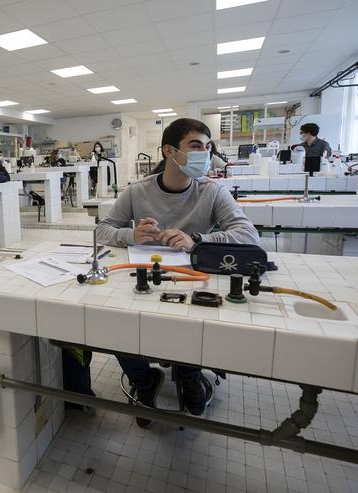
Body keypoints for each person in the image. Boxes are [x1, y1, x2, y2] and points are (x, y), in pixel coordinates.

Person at [96, 118, 260, 427]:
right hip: (143, 275)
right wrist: (130, 236)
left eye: (208, 147)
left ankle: (189, 373)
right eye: (196, 146)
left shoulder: (212, 191)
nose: (205, 153)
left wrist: (198, 240)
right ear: (169, 151)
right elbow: (103, 230)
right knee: (114, 324)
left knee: (194, 326)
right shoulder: (138, 192)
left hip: (192, 279)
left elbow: (248, 235)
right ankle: (145, 381)